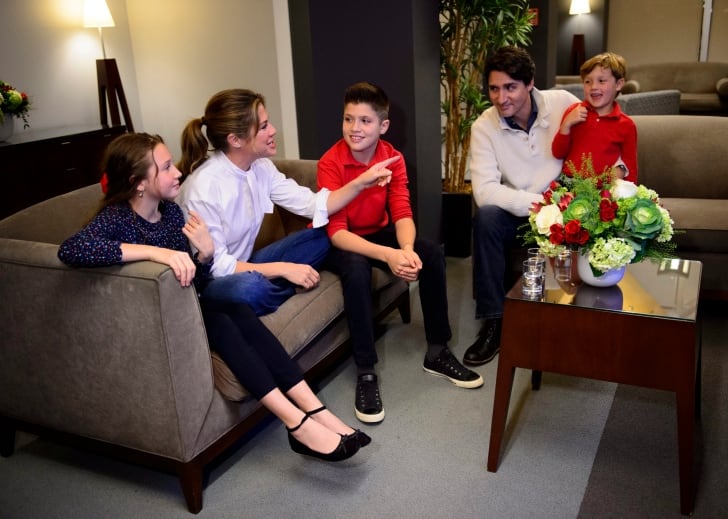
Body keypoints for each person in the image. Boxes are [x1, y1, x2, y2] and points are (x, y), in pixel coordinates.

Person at [58, 132, 368, 462]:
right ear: (138, 183)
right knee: (226, 315)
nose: (177, 171)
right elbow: (73, 248)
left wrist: (203, 255)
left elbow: (197, 278)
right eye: (165, 168)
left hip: (193, 304)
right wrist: (156, 253)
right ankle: (298, 423)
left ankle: (315, 412)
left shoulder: (172, 214)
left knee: (236, 314)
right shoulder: (116, 218)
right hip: (158, 321)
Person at [317, 81, 483, 425]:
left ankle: (438, 350)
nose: (355, 129)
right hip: (344, 241)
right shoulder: (330, 162)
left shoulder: (393, 158)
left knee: (431, 253)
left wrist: (405, 251)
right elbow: (337, 233)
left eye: (365, 121)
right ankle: (366, 370)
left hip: (379, 230)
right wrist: (388, 255)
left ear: (383, 126)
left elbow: (402, 211)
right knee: (357, 270)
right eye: (349, 119)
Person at [176, 89, 392, 316]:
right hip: (216, 280)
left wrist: (360, 182)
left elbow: (312, 204)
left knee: (323, 234)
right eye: (264, 126)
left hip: (248, 262)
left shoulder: (261, 167)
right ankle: (280, 287)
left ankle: (277, 286)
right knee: (250, 288)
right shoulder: (203, 188)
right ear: (235, 140)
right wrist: (284, 269)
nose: (273, 130)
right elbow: (217, 267)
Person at [464, 46, 580, 367]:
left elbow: (597, 138)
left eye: (510, 87)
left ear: (529, 84)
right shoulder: (483, 127)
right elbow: (485, 192)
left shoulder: (563, 105)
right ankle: (494, 323)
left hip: (567, 205)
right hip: (523, 212)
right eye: (494, 88)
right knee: (486, 218)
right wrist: (540, 204)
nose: (502, 98)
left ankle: (576, 321)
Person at [551, 52, 638, 183]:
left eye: (601, 81)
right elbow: (557, 153)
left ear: (619, 84)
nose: (594, 87)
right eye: (588, 81)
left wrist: (629, 194)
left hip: (604, 189)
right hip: (568, 185)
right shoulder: (573, 112)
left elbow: (630, 165)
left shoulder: (627, 125)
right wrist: (566, 126)